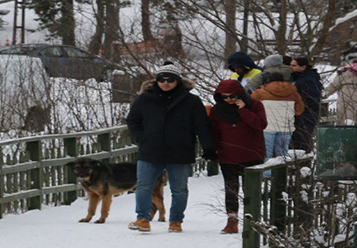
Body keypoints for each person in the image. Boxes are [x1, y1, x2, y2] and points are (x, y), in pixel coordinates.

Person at [125, 62, 214, 233]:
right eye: (162, 80)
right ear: (156, 81)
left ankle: (176, 221)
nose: (166, 83)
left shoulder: (191, 101)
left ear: (178, 81)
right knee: (144, 186)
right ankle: (142, 218)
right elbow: (132, 120)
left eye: (170, 80)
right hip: (151, 149)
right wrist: (141, 137)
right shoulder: (145, 99)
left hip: (180, 149)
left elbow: (202, 125)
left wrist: (208, 147)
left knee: (179, 189)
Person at [207, 78, 267, 234]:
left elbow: (260, 125)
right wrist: (213, 150)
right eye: (224, 97)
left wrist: (243, 110)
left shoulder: (254, 105)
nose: (228, 100)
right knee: (231, 189)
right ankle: (232, 221)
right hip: (228, 155)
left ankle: (253, 220)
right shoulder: (217, 110)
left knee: (251, 190)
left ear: (239, 94)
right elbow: (213, 132)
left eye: (232, 96)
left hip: (252, 153)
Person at [251, 65, 304, 160]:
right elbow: (299, 110)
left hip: (267, 127)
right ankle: (282, 174)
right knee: (283, 154)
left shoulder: (259, 93)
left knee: (267, 153)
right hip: (286, 127)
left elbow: (252, 108)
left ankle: (267, 174)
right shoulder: (294, 93)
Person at [324, 55, 357, 125]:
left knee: (343, 121)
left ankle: (343, 134)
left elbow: (334, 86)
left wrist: (325, 94)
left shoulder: (345, 72)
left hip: (344, 101)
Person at [290, 56, 323, 151]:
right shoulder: (303, 78)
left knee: (301, 140)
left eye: (294, 65)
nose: (291, 67)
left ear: (303, 67)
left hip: (305, 114)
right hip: (305, 113)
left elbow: (308, 99)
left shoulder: (307, 81)